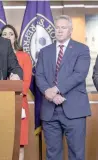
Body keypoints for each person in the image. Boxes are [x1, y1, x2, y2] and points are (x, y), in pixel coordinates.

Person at [35, 15, 91, 160]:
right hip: (50, 110)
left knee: (76, 154)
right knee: (52, 154)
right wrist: (51, 94)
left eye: (63, 27)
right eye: (57, 27)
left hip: (74, 109)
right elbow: (39, 75)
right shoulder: (44, 51)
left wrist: (55, 89)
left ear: (70, 30)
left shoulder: (82, 49)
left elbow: (79, 74)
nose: (59, 30)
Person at [0, 24, 32, 160]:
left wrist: (12, 94)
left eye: (11, 34)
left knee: (19, 143)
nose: (7, 36)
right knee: (0, 142)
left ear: (15, 37)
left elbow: (26, 82)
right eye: (4, 34)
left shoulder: (24, 56)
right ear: (0, 37)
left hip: (19, 103)